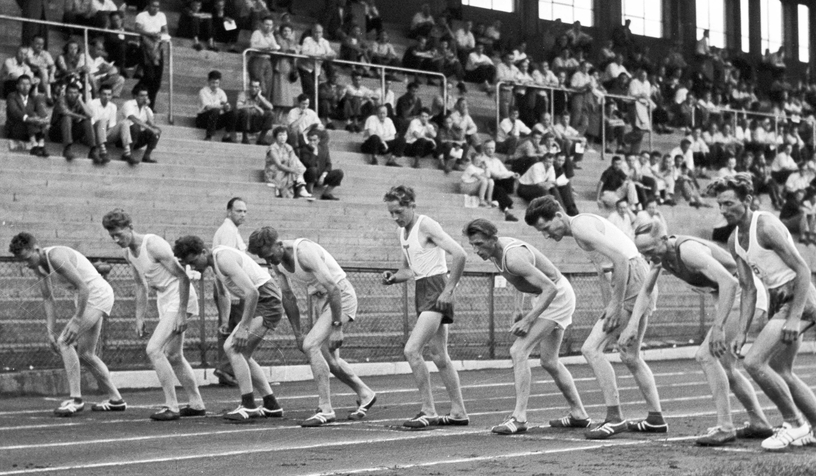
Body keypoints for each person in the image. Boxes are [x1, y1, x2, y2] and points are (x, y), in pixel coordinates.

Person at [526, 194, 668, 439]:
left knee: (592, 349)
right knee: (631, 356)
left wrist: (616, 303)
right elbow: (605, 271)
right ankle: (656, 418)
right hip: (635, 278)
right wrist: (609, 304)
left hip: (633, 278)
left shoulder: (581, 227)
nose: (547, 235)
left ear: (559, 215)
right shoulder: (581, 229)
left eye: (547, 228)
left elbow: (621, 260)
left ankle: (615, 418)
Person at [715, 175, 816, 451]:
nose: (723, 210)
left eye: (729, 203)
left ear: (746, 201)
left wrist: (794, 317)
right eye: (719, 204)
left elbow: (803, 269)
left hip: (799, 299)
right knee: (782, 371)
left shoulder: (766, 226)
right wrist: (743, 331)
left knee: (754, 363)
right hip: (777, 302)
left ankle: (793, 423)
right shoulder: (735, 239)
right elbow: (747, 289)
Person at [629, 221, 773, 446]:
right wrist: (632, 325)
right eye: (642, 252)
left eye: (649, 250)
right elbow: (645, 291)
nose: (647, 257)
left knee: (705, 355)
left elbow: (729, 281)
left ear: (664, 239)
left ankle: (725, 427)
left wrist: (719, 327)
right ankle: (760, 422)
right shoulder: (660, 257)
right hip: (728, 296)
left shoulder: (687, 251)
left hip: (744, 293)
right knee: (727, 368)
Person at [464, 218, 589, 435]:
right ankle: (579, 414)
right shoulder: (497, 252)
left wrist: (529, 320)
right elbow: (519, 279)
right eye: (472, 245)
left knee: (519, 350)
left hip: (556, 296)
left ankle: (519, 418)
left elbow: (549, 288)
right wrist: (517, 308)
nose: (476, 250)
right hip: (544, 296)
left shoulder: (512, 257)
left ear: (493, 239)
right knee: (549, 361)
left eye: (479, 244)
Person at [249, 227, 377, 426]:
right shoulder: (277, 262)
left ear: (279, 245)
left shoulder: (304, 252)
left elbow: (333, 287)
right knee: (331, 361)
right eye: (265, 258)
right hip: (322, 301)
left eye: (270, 255)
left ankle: (325, 409)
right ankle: (365, 393)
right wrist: (298, 333)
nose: (270, 261)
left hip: (340, 297)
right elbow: (288, 297)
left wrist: (336, 327)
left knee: (311, 346)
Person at [102, 209, 207, 421]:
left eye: (119, 234)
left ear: (130, 228)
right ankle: (196, 404)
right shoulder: (128, 254)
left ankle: (172, 405)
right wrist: (139, 317)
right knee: (174, 355)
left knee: (153, 349)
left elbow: (183, 278)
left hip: (179, 297)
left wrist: (181, 313)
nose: (115, 239)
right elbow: (141, 285)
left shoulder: (154, 245)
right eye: (111, 235)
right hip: (164, 300)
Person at [8, 232, 125, 416]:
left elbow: (83, 287)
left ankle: (76, 400)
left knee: (65, 342)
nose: (27, 263)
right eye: (22, 260)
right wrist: (50, 332)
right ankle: (116, 400)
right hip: (85, 298)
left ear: (36, 249)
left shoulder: (56, 257)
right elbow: (48, 298)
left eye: (28, 258)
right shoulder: (38, 267)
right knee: (86, 354)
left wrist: (77, 320)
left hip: (97, 295)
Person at [381, 185, 469, 429]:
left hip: (436, 288)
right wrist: (393, 277)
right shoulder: (402, 233)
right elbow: (409, 270)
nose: (395, 217)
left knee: (411, 350)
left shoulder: (426, 225)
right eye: (391, 213)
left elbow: (460, 254)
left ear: (411, 205)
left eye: (399, 211)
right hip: (422, 288)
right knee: (440, 355)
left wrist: (449, 290)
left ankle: (428, 410)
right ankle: (458, 411)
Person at [172, 235, 285, 422]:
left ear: (202, 252)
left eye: (193, 262)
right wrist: (225, 320)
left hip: (267, 301)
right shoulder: (215, 263)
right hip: (262, 301)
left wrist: (244, 327)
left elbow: (252, 292)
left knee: (232, 347)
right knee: (242, 354)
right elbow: (224, 293)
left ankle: (248, 405)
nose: (193, 267)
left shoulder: (223, 258)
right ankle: (271, 404)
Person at [210, 197, 249, 388]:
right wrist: (230, 294)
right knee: (232, 328)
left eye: (244, 211)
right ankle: (226, 367)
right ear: (229, 212)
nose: (242, 214)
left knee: (231, 328)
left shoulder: (233, 231)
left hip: (233, 287)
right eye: (238, 211)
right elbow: (225, 262)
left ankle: (226, 368)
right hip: (231, 288)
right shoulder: (227, 231)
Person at [5, 72, 50, 156]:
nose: (25, 87)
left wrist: (44, 119)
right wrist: (28, 119)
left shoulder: (33, 99)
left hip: (30, 131)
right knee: (31, 115)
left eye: (28, 84)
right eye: (22, 84)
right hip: (16, 129)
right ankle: (36, 145)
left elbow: (41, 111)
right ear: (17, 86)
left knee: (40, 118)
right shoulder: (12, 96)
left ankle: (40, 144)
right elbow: (14, 111)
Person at [119, 85, 161, 164]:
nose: (145, 98)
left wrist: (145, 107)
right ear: (135, 96)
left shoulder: (146, 108)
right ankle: (127, 154)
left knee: (157, 131)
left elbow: (152, 123)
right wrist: (150, 128)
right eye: (142, 95)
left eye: (146, 95)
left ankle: (146, 156)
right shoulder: (128, 104)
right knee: (135, 126)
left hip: (136, 139)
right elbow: (133, 119)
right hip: (123, 138)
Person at [196, 69, 231, 140]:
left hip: (216, 119)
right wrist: (221, 106)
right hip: (203, 119)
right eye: (213, 83)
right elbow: (208, 107)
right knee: (215, 110)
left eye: (217, 83)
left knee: (232, 113)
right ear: (208, 82)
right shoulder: (203, 92)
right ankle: (209, 136)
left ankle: (227, 136)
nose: (215, 85)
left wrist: (227, 107)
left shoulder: (221, 92)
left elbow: (224, 103)